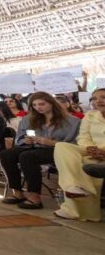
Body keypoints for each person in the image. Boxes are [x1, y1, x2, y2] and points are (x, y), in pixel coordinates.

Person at [0, 92, 80, 210]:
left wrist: (52, 143)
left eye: (42, 104)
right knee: (6, 154)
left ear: (52, 103)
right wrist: (25, 140)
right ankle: (17, 192)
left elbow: (75, 144)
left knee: (27, 156)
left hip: (58, 149)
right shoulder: (28, 119)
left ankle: (34, 196)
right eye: (35, 105)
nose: (38, 107)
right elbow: (19, 138)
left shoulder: (72, 121)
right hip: (33, 147)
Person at [53, 88, 105, 221]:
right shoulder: (91, 115)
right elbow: (83, 137)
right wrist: (91, 149)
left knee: (84, 163)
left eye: (103, 97)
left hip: (102, 152)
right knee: (61, 146)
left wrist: (102, 151)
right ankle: (73, 186)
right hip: (91, 149)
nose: (98, 101)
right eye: (95, 98)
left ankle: (73, 210)